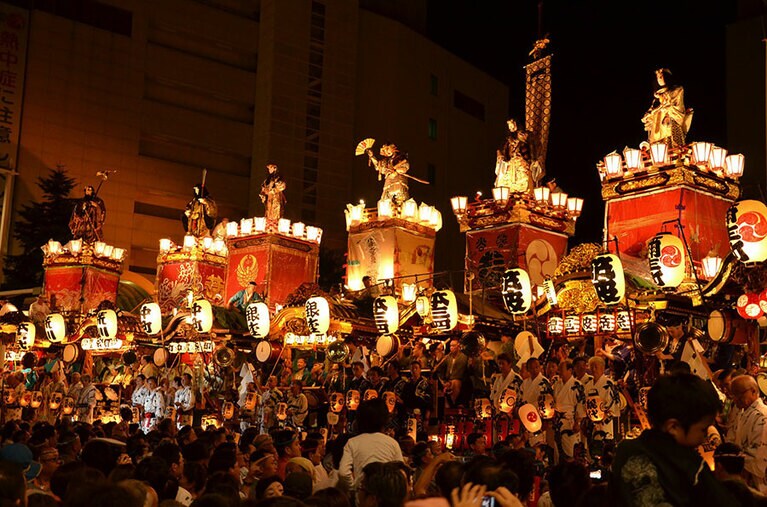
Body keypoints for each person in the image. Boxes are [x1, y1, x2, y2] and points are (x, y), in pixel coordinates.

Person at [611, 373, 737, 505]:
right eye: (703, 429)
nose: (704, 437)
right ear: (673, 427)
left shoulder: (624, 450)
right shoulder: (690, 464)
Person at [339, 398, 404, 490]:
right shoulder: (392, 443)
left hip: (363, 494)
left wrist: (354, 487)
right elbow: (401, 472)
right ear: (384, 420)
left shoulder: (353, 442)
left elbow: (343, 472)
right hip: (386, 493)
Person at [726, 374, 767, 493]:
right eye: (733, 394)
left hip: (759, 485)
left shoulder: (762, 416)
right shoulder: (743, 412)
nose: (735, 399)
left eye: (739, 394)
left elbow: (758, 459)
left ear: (753, 391)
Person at [642, 68, 692, 148]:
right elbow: (652, 111)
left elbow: (675, 106)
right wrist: (649, 117)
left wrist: (663, 106)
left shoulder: (676, 90)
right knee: (657, 151)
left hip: (669, 125)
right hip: (656, 130)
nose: (660, 78)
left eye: (662, 76)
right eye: (658, 77)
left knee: (673, 147)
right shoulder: (656, 97)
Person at [494, 118, 535, 193]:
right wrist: (501, 155)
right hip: (510, 163)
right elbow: (503, 151)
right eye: (509, 125)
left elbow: (527, 150)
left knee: (523, 180)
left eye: (511, 124)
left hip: (521, 163)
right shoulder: (507, 139)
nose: (510, 127)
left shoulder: (522, 137)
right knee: (505, 182)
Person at [366, 142, 411, 206]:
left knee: (400, 197)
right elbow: (378, 166)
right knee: (385, 200)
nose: (386, 152)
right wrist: (372, 156)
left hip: (399, 179)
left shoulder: (400, 158)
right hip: (389, 180)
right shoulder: (385, 161)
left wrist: (396, 172)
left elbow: (405, 166)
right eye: (385, 150)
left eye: (388, 149)